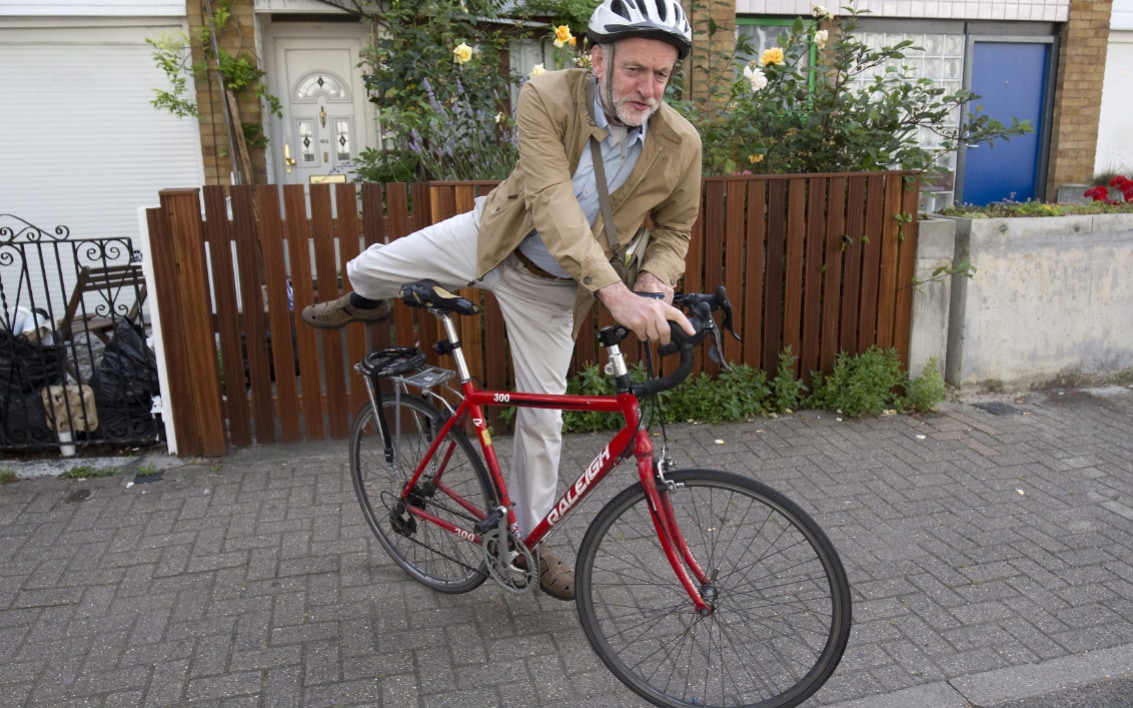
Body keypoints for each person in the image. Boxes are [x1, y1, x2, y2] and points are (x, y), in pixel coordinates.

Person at [302, 0, 702, 600]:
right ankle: (365, 300)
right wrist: (616, 293)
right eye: (634, 70)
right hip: (494, 240)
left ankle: (526, 542)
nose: (648, 89)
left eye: (661, 76)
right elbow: (551, 204)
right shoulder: (545, 96)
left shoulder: (681, 142)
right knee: (371, 265)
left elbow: (674, 231)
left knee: (545, 423)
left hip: (551, 289)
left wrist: (652, 286)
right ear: (597, 58)